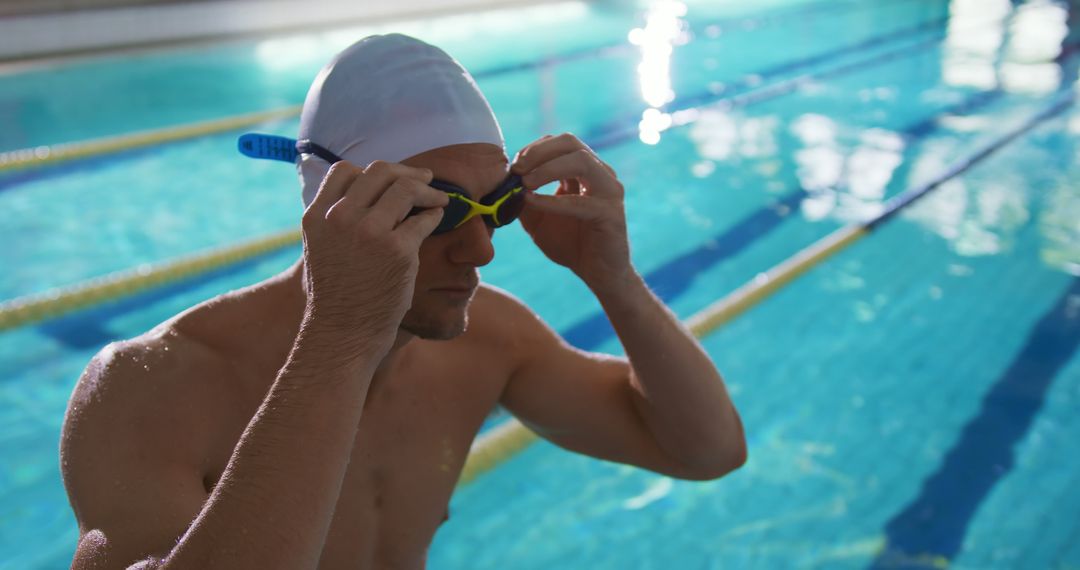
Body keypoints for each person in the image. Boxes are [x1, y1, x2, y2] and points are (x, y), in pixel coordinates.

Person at [60, 34, 746, 570]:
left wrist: (614, 278)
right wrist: (342, 337)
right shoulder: (150, 387)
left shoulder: (490, 341)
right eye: (436, 210)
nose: (481, 250)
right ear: (331, 211)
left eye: (497, 206)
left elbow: (704, 451)